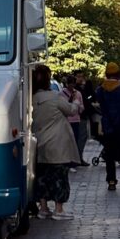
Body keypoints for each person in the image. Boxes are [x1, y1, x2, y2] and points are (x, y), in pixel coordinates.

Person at [31, 64, 81, 220]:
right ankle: (59, 210)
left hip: (39, 143)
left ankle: (43, 208)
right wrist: (77, 102)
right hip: (58, 142)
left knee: (42, 177)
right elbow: (71, 110)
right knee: (59, 176)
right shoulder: (55, 97)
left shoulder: (30, 99)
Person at [94, 62, 120, 191]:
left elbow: (99, 104)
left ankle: (111, 181)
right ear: (118, 74)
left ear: (106, 74)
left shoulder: (100, 90)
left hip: (108, 126)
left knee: (109, 155)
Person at [61, 75, 85, 168]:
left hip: (76, 120)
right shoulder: (61, 94)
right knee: (67, 141)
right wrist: (70, 101)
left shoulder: (78, 93)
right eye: (69, 84)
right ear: (67, 84)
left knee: (75, 141)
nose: (71, 87)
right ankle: (67, 161)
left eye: (73, 84)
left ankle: (74, 161)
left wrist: (79, 107)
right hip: (66, 121)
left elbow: (82, 107)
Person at [74, 70, 96, 154]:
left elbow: (90, 98)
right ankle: (78, 157)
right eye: (78, 76)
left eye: (82, 77)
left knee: (82, 136)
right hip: (78, 116)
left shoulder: (84, 88)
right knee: (81, 136)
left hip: (83, 115)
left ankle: (79, 157)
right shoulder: (76, 89)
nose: (80, 78)